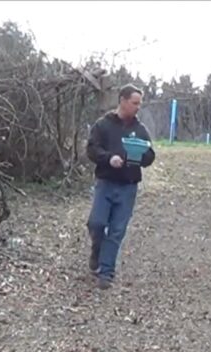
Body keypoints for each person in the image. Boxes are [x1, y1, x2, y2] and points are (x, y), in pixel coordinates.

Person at [85, 84, 155, 289]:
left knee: (117, 230)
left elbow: (150, 156)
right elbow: (92, 149)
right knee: (96, 223)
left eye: (139, 104)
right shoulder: (103, 125)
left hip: (128, 186)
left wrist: (140, 157)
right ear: (123, 101)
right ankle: (97, 252)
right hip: (106, 182)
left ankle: (106, 273)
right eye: (135, 103)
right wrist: (108, 158)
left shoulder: (140, 130)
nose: (137, 107)